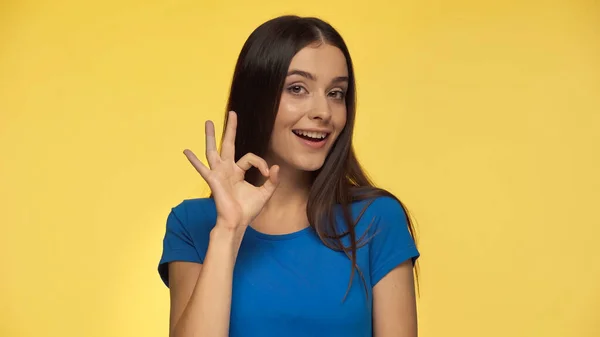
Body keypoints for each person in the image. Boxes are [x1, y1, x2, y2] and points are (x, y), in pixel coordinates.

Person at [157, 15, 420, 337]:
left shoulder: (376, 219)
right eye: (297, 88)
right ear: (257, 98)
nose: (323, 112)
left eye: (336, 93)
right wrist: (229, 229)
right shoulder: (193, 223)